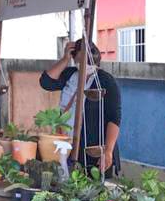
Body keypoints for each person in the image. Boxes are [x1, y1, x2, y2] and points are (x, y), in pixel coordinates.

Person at [41, 38, 121, 173]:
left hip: (93, 148)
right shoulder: (70, 75)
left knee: (90, 186)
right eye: (79, 60)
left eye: (89, 61)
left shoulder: (106, 81)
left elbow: (114, 117)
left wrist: (108, 151)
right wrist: (65, 58)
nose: (85, 64)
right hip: (68, 144)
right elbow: (46, 82)